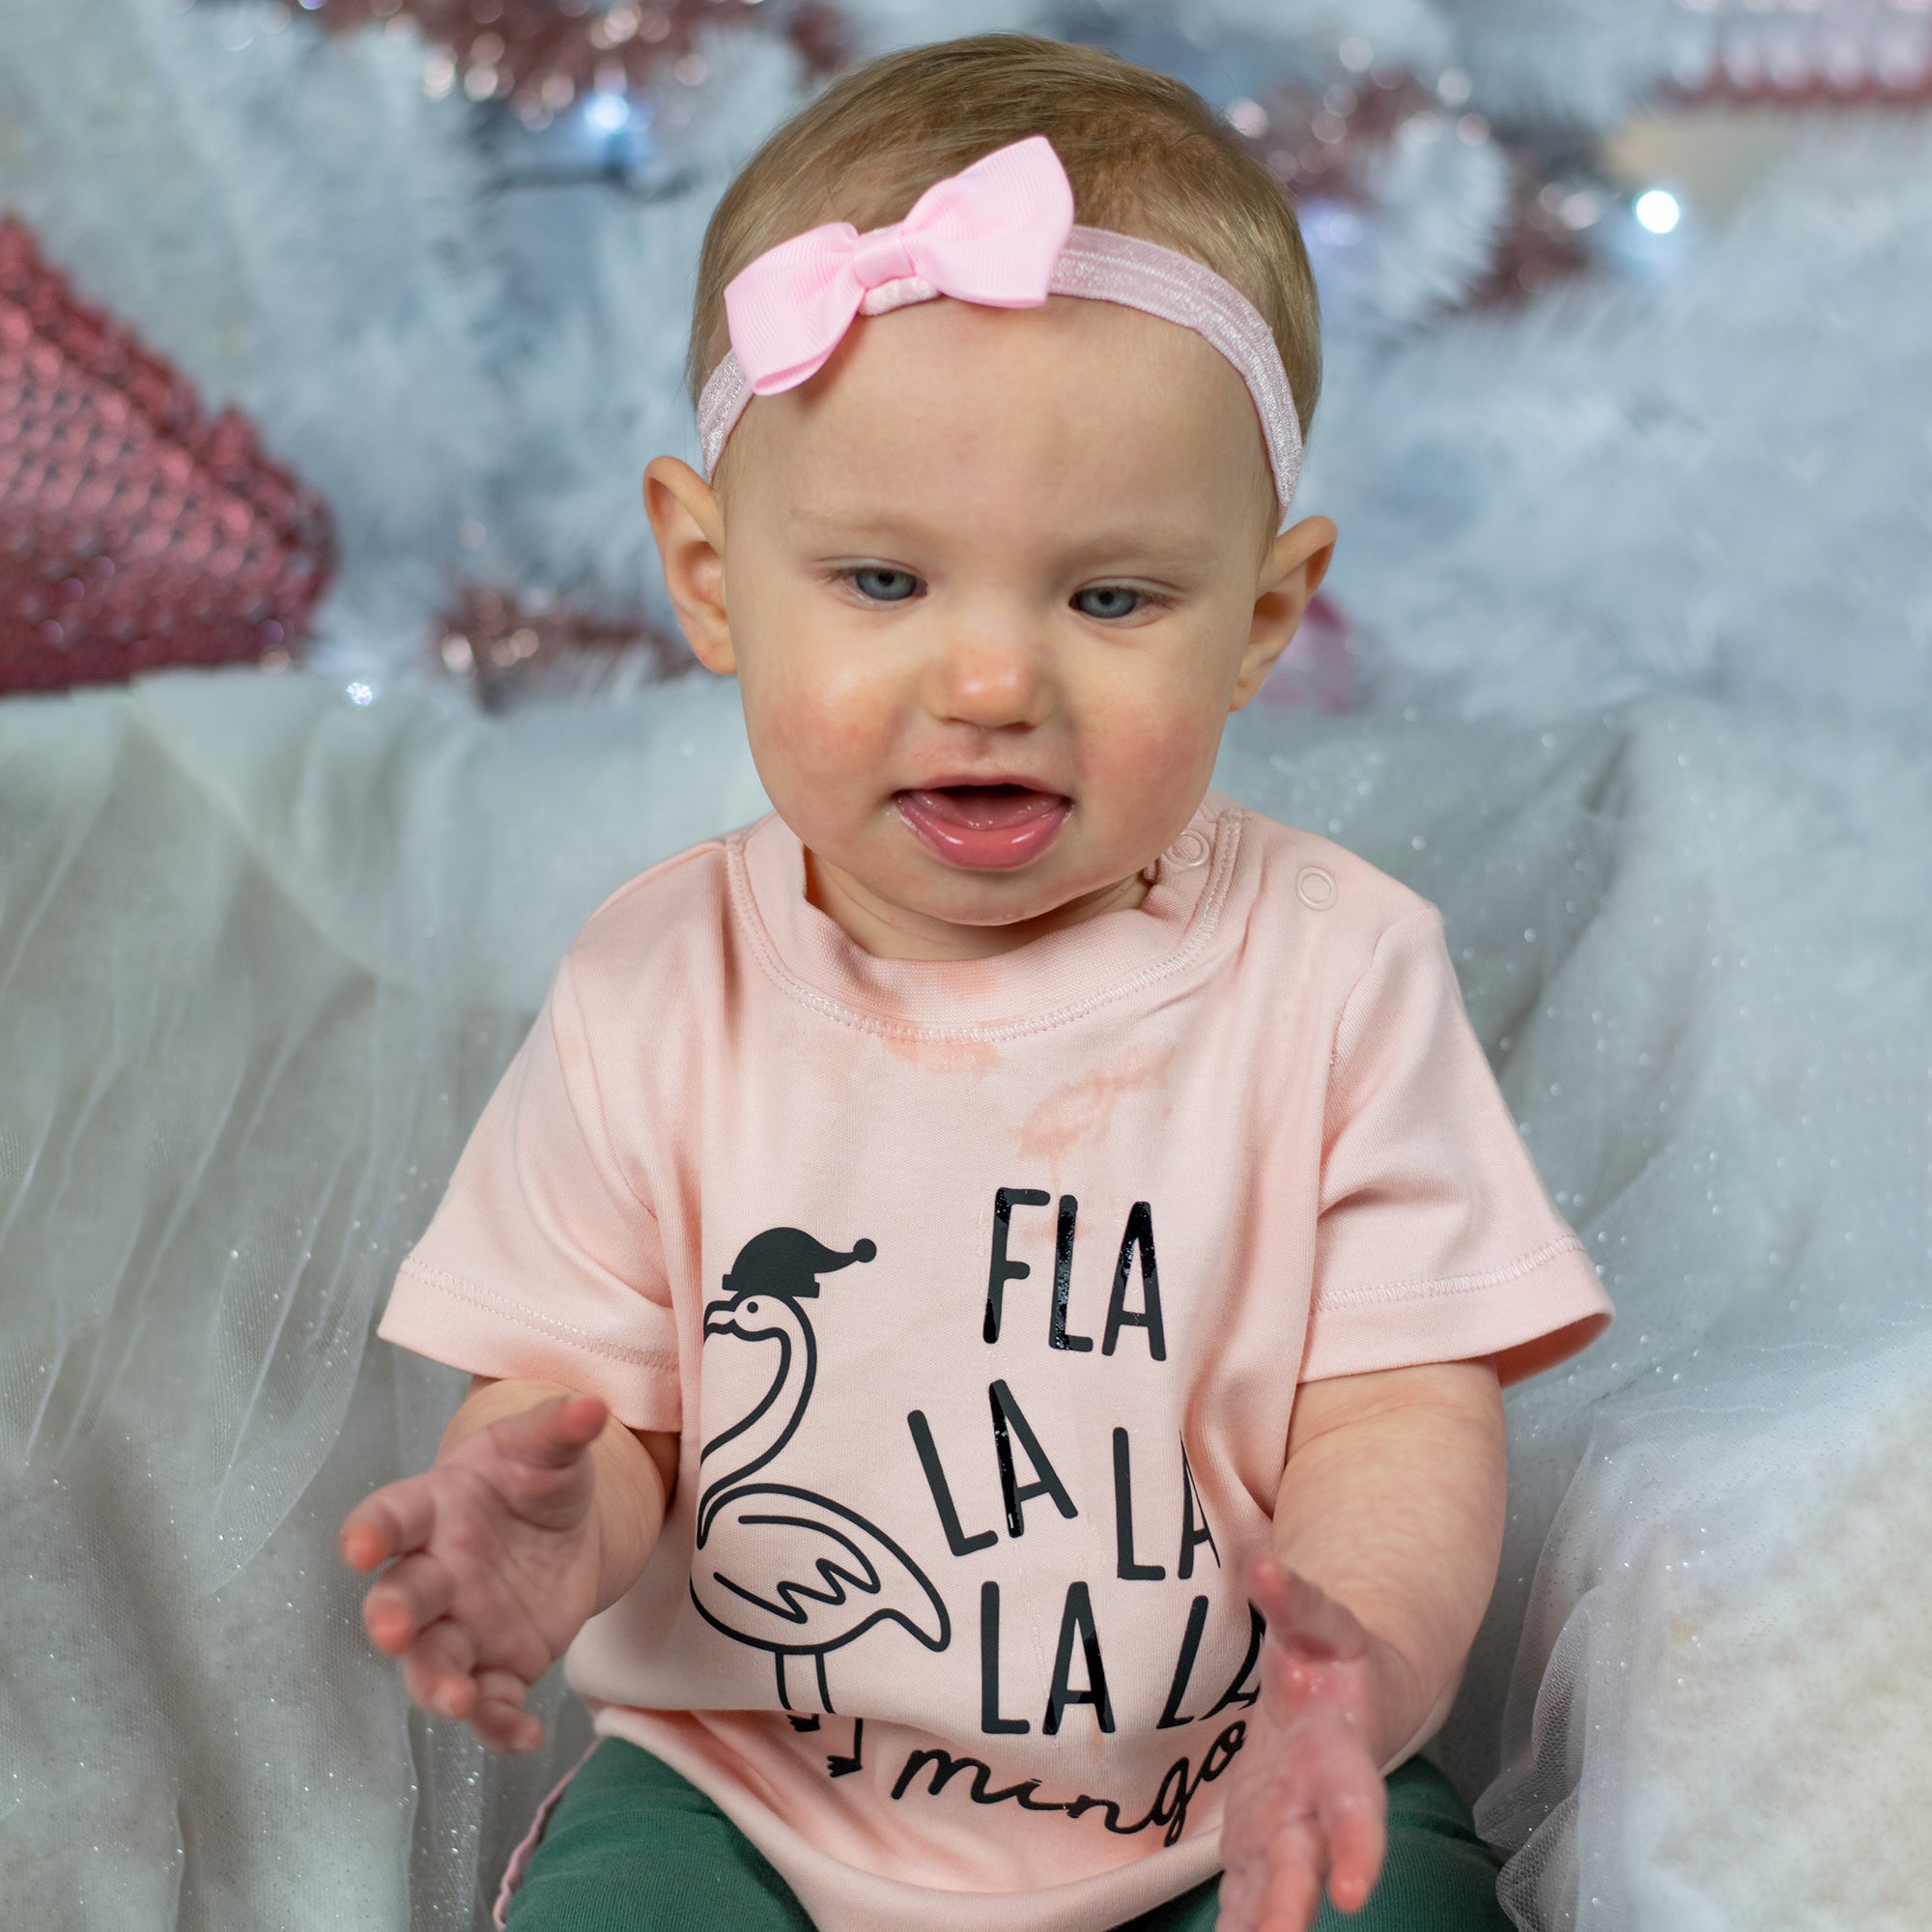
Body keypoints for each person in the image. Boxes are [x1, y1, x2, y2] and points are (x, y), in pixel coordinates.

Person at [339, 34, 1614, 1932]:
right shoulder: (657, 984)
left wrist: (1361, 1671)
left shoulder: (1336, 973)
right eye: (880, 582)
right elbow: (593, 1399)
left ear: (1262, 615)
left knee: (1392, 1902)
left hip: (1220, 1792)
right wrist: (550, 1521)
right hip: (754, 1797)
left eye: (1107, 598)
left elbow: (1394, 1416)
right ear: (708, 574)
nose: (995, 681)